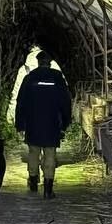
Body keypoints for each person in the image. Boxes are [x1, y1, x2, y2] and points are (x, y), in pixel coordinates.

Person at [14, 50, 72, 198]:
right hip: (52, 123)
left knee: (33, 153)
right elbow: (65, 102)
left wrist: (20, 124)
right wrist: (65, 123)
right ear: (50, 63)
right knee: (50, 154)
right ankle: (48, 189)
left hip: (33, 122)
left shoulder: (30, 78)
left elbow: (21, 102)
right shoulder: (57, 78)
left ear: (38, 62)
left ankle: (33, 183)